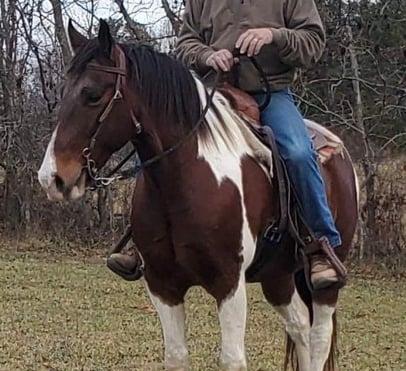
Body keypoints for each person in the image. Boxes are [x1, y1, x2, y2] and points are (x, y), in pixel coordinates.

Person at [107, 0, 346, 289]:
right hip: (210, 95)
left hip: (269, 96)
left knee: (297, 152)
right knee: (158, 144)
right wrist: (208, 55)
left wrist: (274, 36)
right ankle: (143, 240)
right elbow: (185, 43)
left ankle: (320, 245)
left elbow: (313, 43)